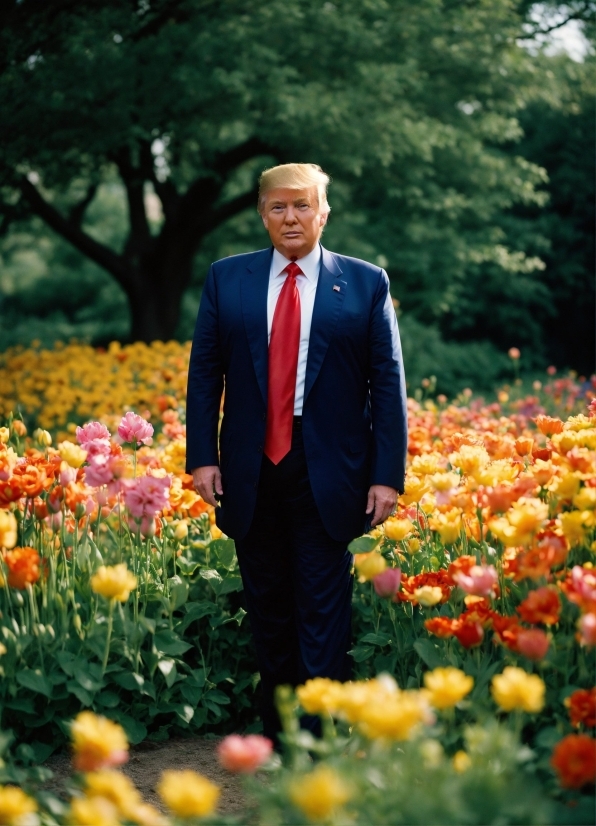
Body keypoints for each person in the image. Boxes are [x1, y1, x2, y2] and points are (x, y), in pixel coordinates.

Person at [186, 163, 407, 744]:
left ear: (324, 212)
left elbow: (387, 384)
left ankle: (318, 737)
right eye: (279, 207)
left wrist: (387, 475)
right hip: (249, 468)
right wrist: (202, 457)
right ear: (262, 214)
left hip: (329, 469)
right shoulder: (226, 279)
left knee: (321, 604)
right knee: (268, 606)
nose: (291, 217)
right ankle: (279, 734)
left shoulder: (365, 283)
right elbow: (205, 375)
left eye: (303, 206)